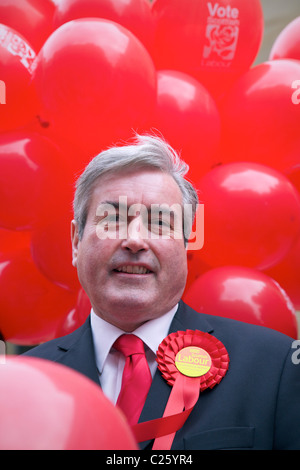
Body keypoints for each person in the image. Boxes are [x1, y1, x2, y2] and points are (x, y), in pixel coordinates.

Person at [25, 133, 300, 450]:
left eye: (159, 222)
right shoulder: (26, 383)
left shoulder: (274, 367)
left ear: (186, 246)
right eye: (113, 219)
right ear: (76, 242)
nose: (135, 240)